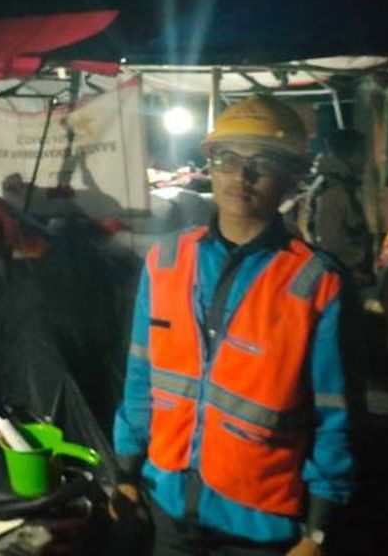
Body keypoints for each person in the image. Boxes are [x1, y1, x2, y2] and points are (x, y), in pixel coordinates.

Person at [113, 95, 354, 555]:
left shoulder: (317, 283)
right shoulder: (165, 260)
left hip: (258, 526)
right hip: (167, 506)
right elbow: (140, 377)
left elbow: (334, 414)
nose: (241, 176)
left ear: (291, 177)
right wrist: (125, 472)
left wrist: (319, 530)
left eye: (261, 163)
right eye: (227, 159)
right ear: (211, 165)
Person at [302, 130, 374, 292]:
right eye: (362, 153)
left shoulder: (329, 184)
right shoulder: (335, 190)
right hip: (343, 279)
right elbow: (330, 242)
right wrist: (359, 257)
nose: (365, 160)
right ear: (353, 154)